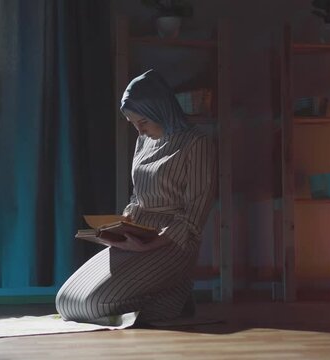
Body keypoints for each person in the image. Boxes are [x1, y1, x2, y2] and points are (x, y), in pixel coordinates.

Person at [55, 69, 216, 324]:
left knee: (95, 304)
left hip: (172, 244)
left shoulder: (196, 143)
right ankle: (172, 295)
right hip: (138, 236)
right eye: (134, 125)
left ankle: (174, 295)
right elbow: (137, 196)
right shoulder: (144, 140)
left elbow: (192, 220)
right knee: (65, 301)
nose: (140, 131)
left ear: (160, 110)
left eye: (143, 122)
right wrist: (122, 230)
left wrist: (150, 244)